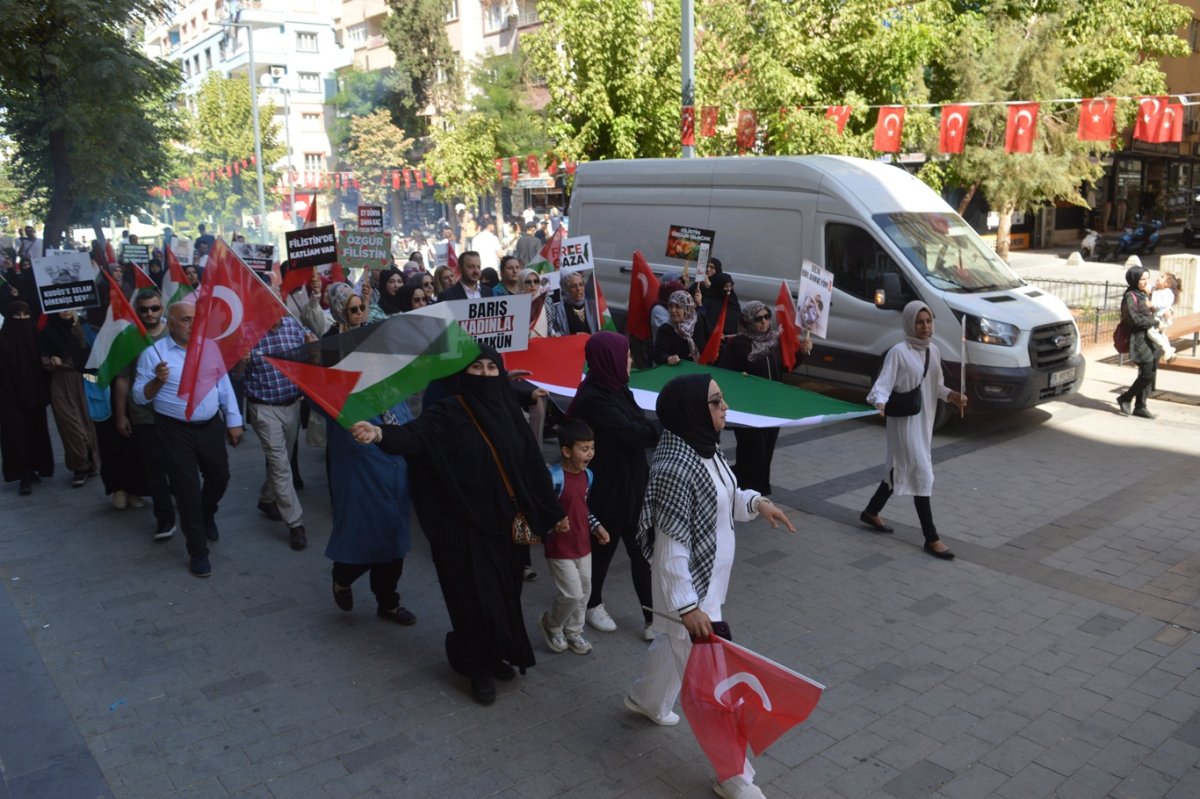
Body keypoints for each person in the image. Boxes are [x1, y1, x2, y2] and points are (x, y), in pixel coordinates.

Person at [349, 348, 566, 706]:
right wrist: (379, 434)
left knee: (504, 596)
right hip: (463, 528)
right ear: (463, 373)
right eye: (476, 367)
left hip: (506, 527)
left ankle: (496, 655)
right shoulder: (449, 411)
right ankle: (475, 667)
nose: (484, 373)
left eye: (491, 367)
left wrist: (552, 511)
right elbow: (416, 437)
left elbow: (530, 461)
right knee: (472, 600)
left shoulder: (507, 409)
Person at [624, 373, 795, 799]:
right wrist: (687, 608)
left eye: (722, 399)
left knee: (671, 645)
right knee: (711, 688)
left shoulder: (704, 449)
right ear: (692, 412)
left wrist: (757, 502)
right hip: (690, 595)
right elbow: (670, 550)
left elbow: (726, 496)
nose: (725, 407)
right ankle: (734, 775)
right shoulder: (674, 469)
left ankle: (646, 700)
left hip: (706, 590)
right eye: (716, 401)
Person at [133, 303, 244, 578]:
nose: (192, 325)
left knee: (220, 476)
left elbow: (223, 384)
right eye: (185, 320)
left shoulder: (209, 348)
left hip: (210, 426)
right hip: (174, 430)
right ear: (171, 324)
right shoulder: (153, 354)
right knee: (187, 490)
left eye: (195, 319)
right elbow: (139, 396)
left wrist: (234, 420)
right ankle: (198, 551)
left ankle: (207, 513)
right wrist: (157, 381)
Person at [569, 333, 661, 639]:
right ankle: (592, 603)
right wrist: (663, 424)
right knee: (603, 549)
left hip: (632, 482)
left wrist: (649, 428)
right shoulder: (594, 398)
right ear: (609, 360)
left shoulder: (617, 387)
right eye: (626, 355)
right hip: (608, 488)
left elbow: (638, 426)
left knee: (641, 551)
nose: (630, 359)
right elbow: (632, 433)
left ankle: (652, 618)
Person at [859, 301, 966, 559]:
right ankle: (931, 538)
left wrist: (953, 396)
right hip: (904, 423)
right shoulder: (898, 352)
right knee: (922, 473)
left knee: (898, 468)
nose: (925, 327)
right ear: (909, 324)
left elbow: (937, 386)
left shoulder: (934, 350)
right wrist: (880, 402)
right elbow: (883, 384)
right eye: (919, 322)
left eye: (928, 321)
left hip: (924, 421)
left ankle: (871, 511)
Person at [326, 396, 418, 627]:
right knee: (365, 538)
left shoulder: (395, 394)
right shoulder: (341, 398)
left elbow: (411, 431)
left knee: (394, 542)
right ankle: (342, 577)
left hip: (397, 477)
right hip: (362, 478)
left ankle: (388, 602)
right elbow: (316, 396)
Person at [719, 301, 812, 495]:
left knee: (766, 453)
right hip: (749, 408)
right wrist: (738, 378)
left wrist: (802, 353)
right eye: (758, 318)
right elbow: (724, 373)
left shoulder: (775, 341)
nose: (764, 322)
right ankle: (735, 486)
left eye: (767, 317)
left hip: (772, 407)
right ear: (748, 321)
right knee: (755, 453)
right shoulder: (739, 344)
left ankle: (757, 493)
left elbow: (785, 367)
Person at [538, 418, 611, 656]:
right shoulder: (554, 477)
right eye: (584, 448)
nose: (590, 453)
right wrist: (553, 525)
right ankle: (552, 624)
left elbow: (582, 508)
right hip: (559, 547)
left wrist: (596, 527)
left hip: (583, 545)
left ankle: (574, 631)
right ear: (566, 451)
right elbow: (541, 511)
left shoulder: (588, 475)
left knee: (585, 592)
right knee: (572, 594)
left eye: (592, 448)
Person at [242, 314, 310, 551]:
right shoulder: (247, 332)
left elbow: (307, 357)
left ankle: (267, 498)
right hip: (264, 408)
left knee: (282, 460)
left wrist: (311, 347)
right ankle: (295, 524)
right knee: (281, 465)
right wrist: (241, 361)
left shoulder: (294, 326)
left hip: (292, 405)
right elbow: (236, 373)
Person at [113, 289, 175, 538]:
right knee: (154, 466)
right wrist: (121, 415)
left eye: (154, 308)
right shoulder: (128, 338)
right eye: (144, 309)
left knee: (179, 464)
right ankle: (165, 519)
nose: (150, 313)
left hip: (175, 411)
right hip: (144, 413)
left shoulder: (175, 332)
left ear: (162, 309)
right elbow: (122, 379)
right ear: (136, 311)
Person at [39, 311, 100, 486]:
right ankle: (78, 466)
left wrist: (79, 342)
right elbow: (44, 360)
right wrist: (55, 363)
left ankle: (92, 461)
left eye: (69, 307)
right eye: (61, 307)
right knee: (70, 426)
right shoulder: (48, 331)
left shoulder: (86, 327)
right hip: (61, 383)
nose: (65, 310)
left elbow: (96, 354)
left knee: (88, 423)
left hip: (86, 380)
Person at [0, 301, 54, 495]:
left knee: (36, 433)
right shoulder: (3, 341)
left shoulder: (37, 336)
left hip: (36, 396)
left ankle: (35, 468)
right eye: (17, 315)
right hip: (9, 398)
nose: (22, 319)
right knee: (17, 437)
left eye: (25, 314)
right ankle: (23, 475)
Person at [1115, 266, 1163, 419]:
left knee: (1150, 372)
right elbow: (1134, 320)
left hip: (1150, 339)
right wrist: (1155, 322)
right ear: (1134, 279)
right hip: (1138, 340)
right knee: (1147, 373)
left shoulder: (1142, 293)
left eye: (1147, 278)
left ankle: (1140, 406)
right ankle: (1125, 398)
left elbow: (1148, 312)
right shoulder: (1130, 296)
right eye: (1142, 279)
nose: (1146, 282)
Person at [654, 290, 707, 365]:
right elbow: (657, 355)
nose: (673, 310)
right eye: (670, 306)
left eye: (678, 306)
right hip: (678, 370)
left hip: (702, 367)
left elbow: (711, 338)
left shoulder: (698, 319)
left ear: (687, 308)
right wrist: (668, 358)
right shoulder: (666, 329)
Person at [550, 271, 599, 336]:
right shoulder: (559, 309)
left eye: (581, 285)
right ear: (566, 289)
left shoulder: (593, 306)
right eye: (573, 286)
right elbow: (555, 333)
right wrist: (575, 337)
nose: (578, 289)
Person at [1148, 272, 1179, 363]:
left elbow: (1164, 303)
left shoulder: (1167, 292)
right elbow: (1148, 287)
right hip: (1157, 317)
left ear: (1167, 284)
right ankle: (1169, 350)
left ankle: (1165, 348)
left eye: (1162, 277)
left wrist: (1152, 304)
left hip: (1161, 318)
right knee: (1162, 335)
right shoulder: (1156, 290)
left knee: (1150, 331)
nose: (1158, 278)